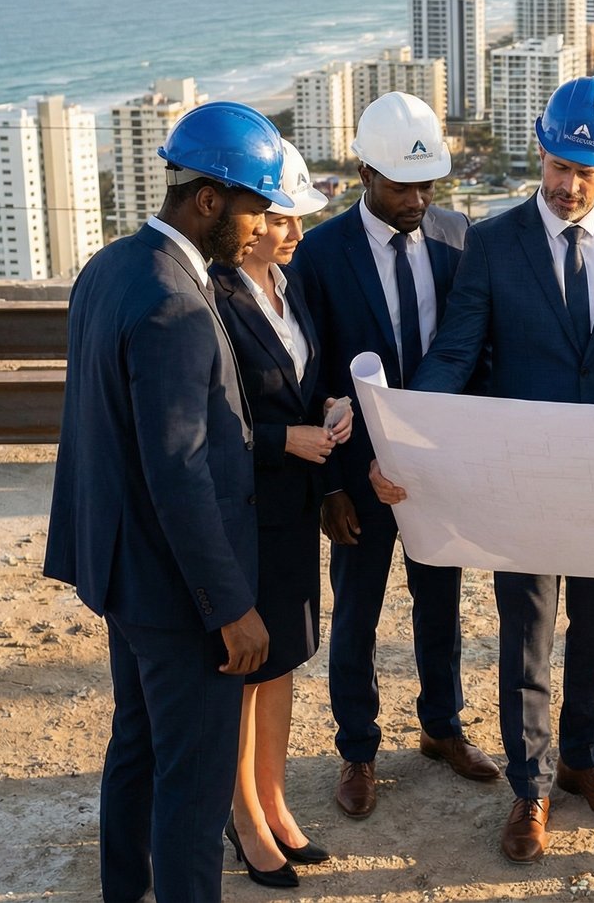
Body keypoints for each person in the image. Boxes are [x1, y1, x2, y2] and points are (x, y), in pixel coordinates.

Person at [374, 76, 594, 864]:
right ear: (539, 152)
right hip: (525, 478)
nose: (569, 183)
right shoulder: (494, 240)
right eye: (558, 165)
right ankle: (531, 786)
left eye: (587, 170)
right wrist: (402, 428)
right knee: (527, 635)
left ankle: (582, 758)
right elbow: (457, 350)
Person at [44, 101, 294, 903]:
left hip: (124, 575)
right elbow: (179, 470)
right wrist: (230, 605)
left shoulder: (111, 266)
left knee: (138, 749)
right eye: (255, 207)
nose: (262, 227)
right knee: (194, 789)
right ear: (210, 200)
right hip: (181, 594)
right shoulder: (177, 306)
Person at [294, 91, 499, 821]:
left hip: (437, 471)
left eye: (427, 183)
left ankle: (441, 727)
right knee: (356, 614)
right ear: (362, 173)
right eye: (401, 183)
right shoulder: (318, 254)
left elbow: (474, 347)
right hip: (359, 477)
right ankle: (357, 748)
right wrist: (330, 486)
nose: (417, 197)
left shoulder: (457, 236)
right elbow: (311, 376)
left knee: (440, 606)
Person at [210, 140, 350, 889]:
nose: (298, 233)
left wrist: (329, 407)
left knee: (286, 658)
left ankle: (273, 796)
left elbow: (307, 378)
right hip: (246, 509)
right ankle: (242, 814)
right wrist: (282, 439)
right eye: (283, 218)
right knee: (244, 667)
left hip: (293, 510)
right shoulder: (215, 296)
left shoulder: (288, 288)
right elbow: (209, 420)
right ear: (249, 218)